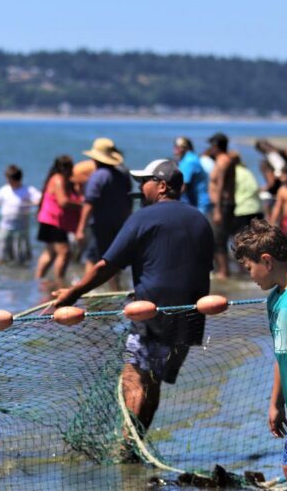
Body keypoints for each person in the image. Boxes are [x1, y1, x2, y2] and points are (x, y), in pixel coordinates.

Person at [53, 159, 214, 440]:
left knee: (134, 377)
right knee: (152, 383)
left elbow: (107, 266)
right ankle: (137, 444)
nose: (141, 188)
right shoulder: (200, 219)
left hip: (150, 318)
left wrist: (73, 293)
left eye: (145, 182)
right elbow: (191, 269)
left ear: (162, 186)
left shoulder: (144, 216)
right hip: (190, 320)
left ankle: (128, 446)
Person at [232, 219, 287, 489]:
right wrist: (275, 403)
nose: (249, 276)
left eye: (249, 268)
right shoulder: (274, 299)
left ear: (266, 261)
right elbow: (281, 351)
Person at [75, 138, 132, 291]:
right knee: (113, 261)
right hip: (120, 224)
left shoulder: (98, 176)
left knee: (92, 259)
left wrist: (80, 228)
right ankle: (116, 290)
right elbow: (129, 200)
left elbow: (89, 203)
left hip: (100, 226)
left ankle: (86, 293)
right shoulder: (123, 174)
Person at [34, 156, 81, 287]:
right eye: (71, 167)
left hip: (50, 221)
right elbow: (63, 202)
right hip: (53, 221)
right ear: (65, 168)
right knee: (64, 252)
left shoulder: (63, 180)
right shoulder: (58, 179)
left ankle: (39, 280)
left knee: (50, 252)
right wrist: (83, 205)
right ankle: (59, 282)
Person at [207, 132, 236, 279]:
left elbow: (220, 186)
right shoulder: (221, 160)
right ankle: (222, 271)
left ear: (216, 146)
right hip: (221, 204)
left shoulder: (223, 161)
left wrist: (217, 209)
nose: (210, 149)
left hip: (222, 204)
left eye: (211, 145)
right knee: (217, 239)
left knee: (219, 239)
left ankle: (224, 272)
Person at [255, 139, 287, 214]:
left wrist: (259, 190)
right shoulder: (282, 154)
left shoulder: (266, 161)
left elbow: (271, 182)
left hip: (274, 193)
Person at [173, 137, 212, 214]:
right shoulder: (190, 158)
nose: (174, 151)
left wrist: (169, 200)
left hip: (199, 203)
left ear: (184, 148)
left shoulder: (188, 161)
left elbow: (183, 185)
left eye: (177, 148)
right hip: (198, 201)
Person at [230, 151, 264, 234]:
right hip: (256, 208)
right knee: (257, 238)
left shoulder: (233, 173)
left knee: (241, 239)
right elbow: (256, 187)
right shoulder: (247, 171)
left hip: (241, 209)